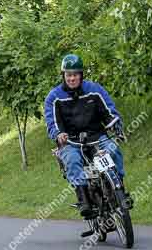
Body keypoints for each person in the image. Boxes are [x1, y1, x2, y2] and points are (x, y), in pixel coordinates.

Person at [44, 53, 129, 219]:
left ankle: (120, 192)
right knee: (72, 160)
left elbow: (109, 109)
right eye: (68, 75)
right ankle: (84, 199)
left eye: (75, 74)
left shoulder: (94, 90)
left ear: (81, 75)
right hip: (70, 141)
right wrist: (58, 134)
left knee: (113, 151)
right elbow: (51, 122)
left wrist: (115, 124)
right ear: (63, 76)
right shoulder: (54, 97)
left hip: (97, 136)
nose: (72, 78)